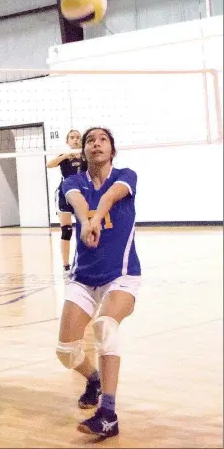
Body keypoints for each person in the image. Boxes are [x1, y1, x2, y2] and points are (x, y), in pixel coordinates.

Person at [55, 127, 141, 438]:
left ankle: (108, 412)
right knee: (65, 350)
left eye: (102, 139)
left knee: (105, 325)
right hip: (84, 278)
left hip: (122, 274)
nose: (96, 144)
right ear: (83, 151)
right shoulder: (72, 181)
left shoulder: (126, 175)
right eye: (90, 140)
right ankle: (93, 378)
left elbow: (109, 195)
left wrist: (95, 218)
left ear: (112, 150)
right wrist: (85, 220)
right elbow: (78, 202)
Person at [47, 130, 87, 274]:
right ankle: (65, 266)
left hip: (81, 195)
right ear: (67, 141)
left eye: (78, 137)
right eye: (72, 137)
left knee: (85, 228)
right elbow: (49, 164)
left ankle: (84, 262)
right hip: (64, 195)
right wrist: (65, 155)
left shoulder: (85, 157)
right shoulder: (64, 156)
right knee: (67, 230)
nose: (75, 140)